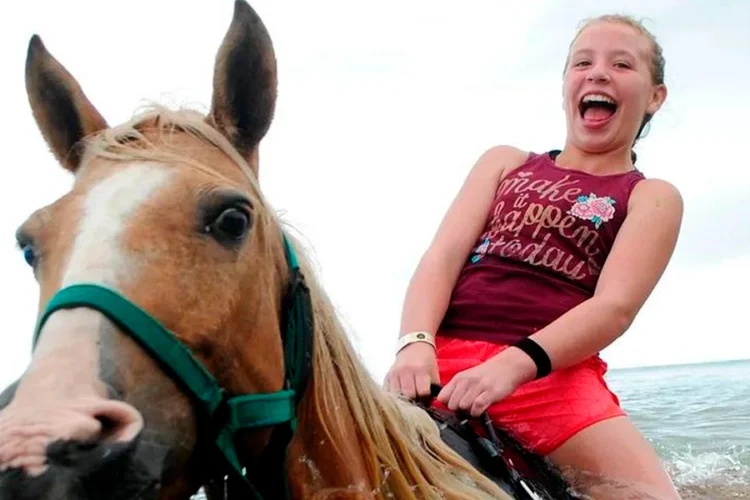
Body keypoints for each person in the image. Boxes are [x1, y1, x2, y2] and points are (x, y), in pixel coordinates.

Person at [383, 14, 684, 500]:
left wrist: (514, 365)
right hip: (446, 356)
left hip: (553, 378)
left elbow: (614, 307)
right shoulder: (505, 162)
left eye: (621, 64)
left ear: (655, 97)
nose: (598, 73)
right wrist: (415, 342)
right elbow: (442, 257)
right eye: (582, 62)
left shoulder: (652, 196)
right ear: (566, 83)